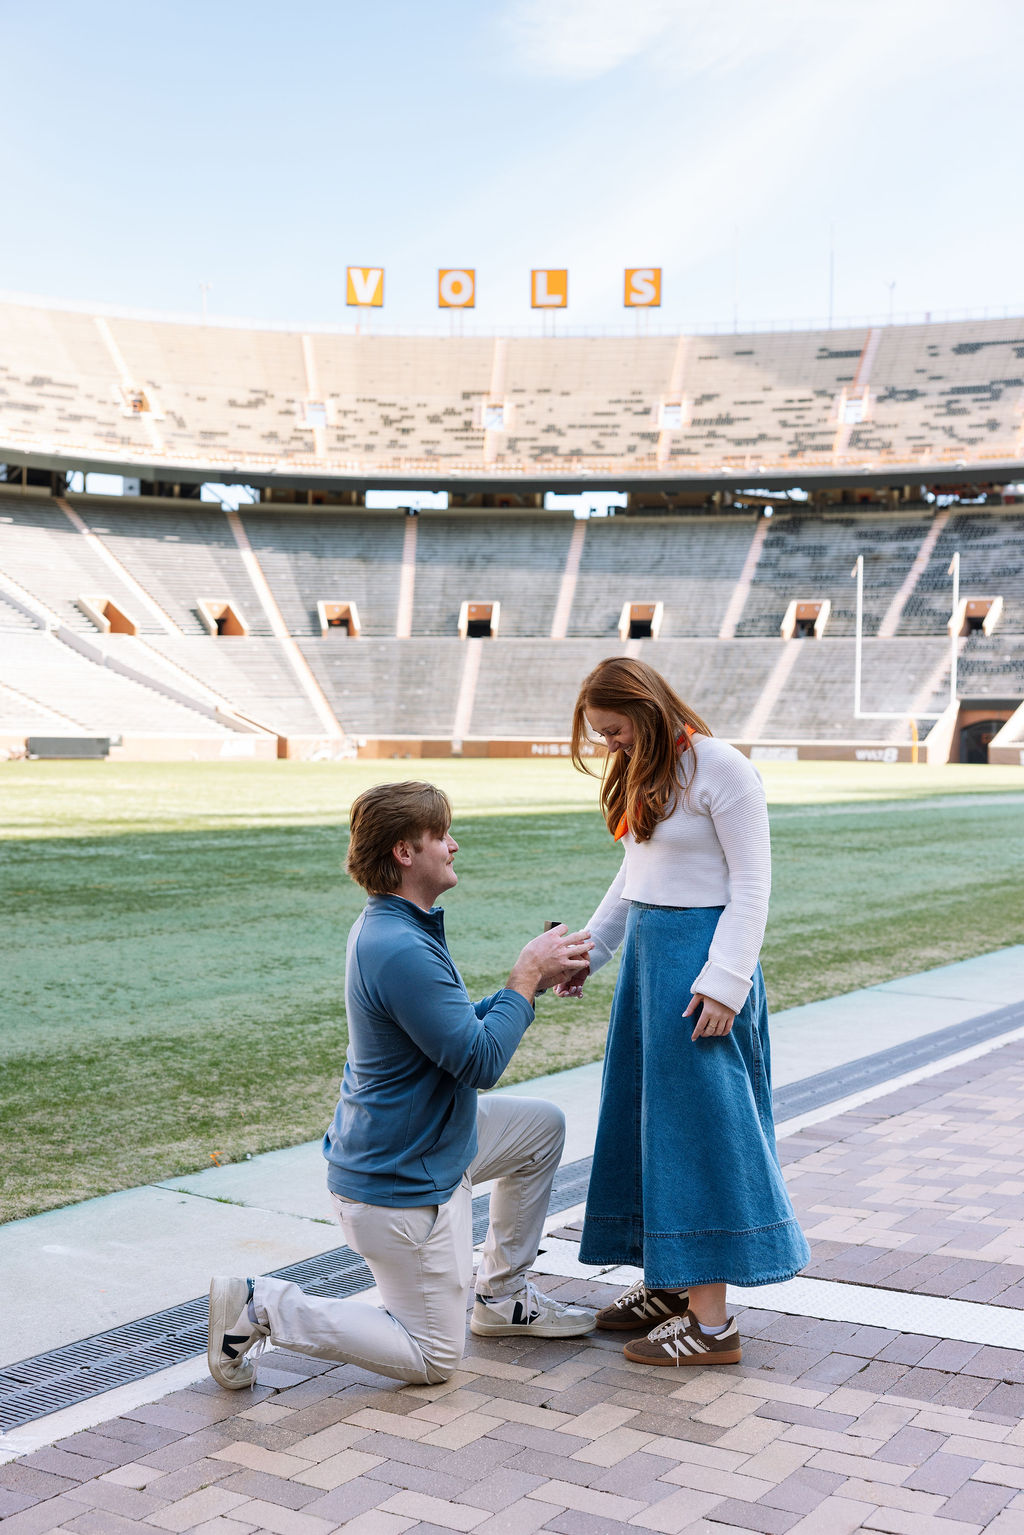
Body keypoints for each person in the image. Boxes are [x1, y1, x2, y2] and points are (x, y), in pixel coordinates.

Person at [208, 780, 595, 1391]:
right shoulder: (398, 945)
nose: (454, 845)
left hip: (424, 1140)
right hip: (399, 1183)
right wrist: (523, 978)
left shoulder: (399, 928)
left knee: (540, 1127)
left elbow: (452, 1029)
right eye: (441, 835)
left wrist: (535, 983)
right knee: (434, 1358)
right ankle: (261, 1306)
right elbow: (479, 1061)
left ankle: (501, 1296)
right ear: (404, 853)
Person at [554, 657, 809, 1367]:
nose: (609, 745)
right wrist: (590, 952)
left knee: (700, 1132)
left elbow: (753, 884)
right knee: (647, 1124)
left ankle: (712, 1324)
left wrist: (726, 981)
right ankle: (668, 1283)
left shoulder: (722, 767)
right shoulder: (648, 769)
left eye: (614, 731)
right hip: (651, 959)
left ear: (645, 707)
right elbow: (633, 873)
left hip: (702, 966)